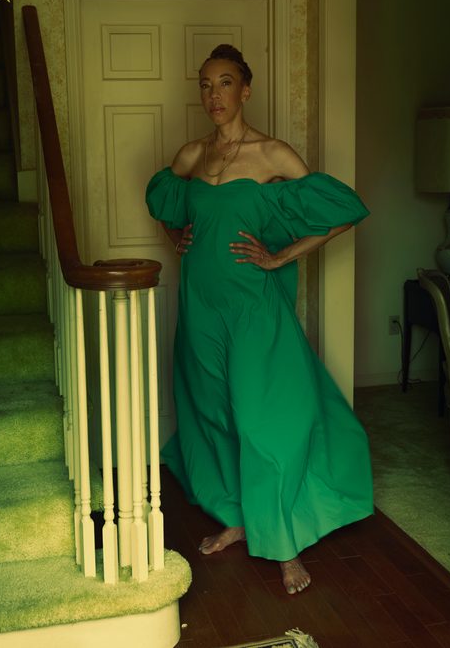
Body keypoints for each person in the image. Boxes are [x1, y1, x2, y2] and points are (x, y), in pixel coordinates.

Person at [145, 44, 373, 594]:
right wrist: (178, 238)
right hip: (201, 305)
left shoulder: (273, 155)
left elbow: (340, 210)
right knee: (213, 413)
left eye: (224, 83)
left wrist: (281, 257)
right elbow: (162, 200)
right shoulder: (192, 156)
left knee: (263, 418)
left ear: (245, 90)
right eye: (204, 84)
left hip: (253, 307)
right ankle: (237, 518)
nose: (213, 95)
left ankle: (284, 542)